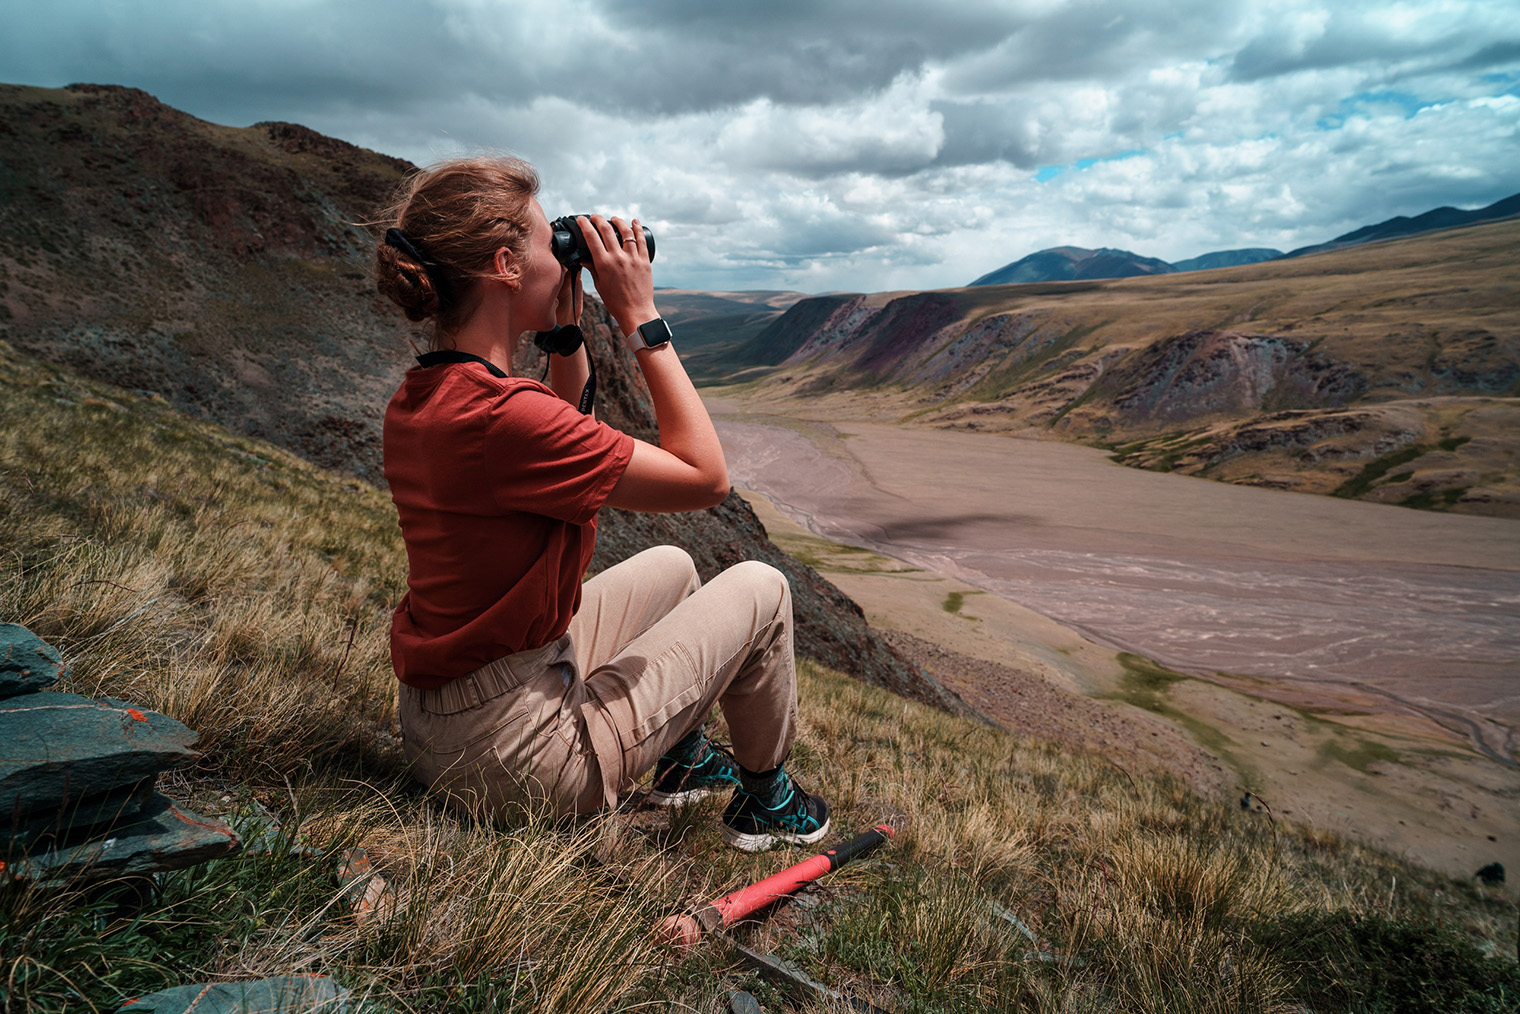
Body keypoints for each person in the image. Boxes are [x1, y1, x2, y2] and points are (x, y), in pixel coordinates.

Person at [373, 155, 829, 851]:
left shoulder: (429, 396)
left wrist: (563, 334)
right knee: (763, 588)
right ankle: (767, 801)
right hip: (520, 761)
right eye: (542, 238)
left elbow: (558, 434)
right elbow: (706, 476)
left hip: (447, 721)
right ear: (504, 263)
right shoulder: (505, 419)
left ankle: (678, 760)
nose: (561, 251)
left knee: (674, 567)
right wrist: (641, 316)